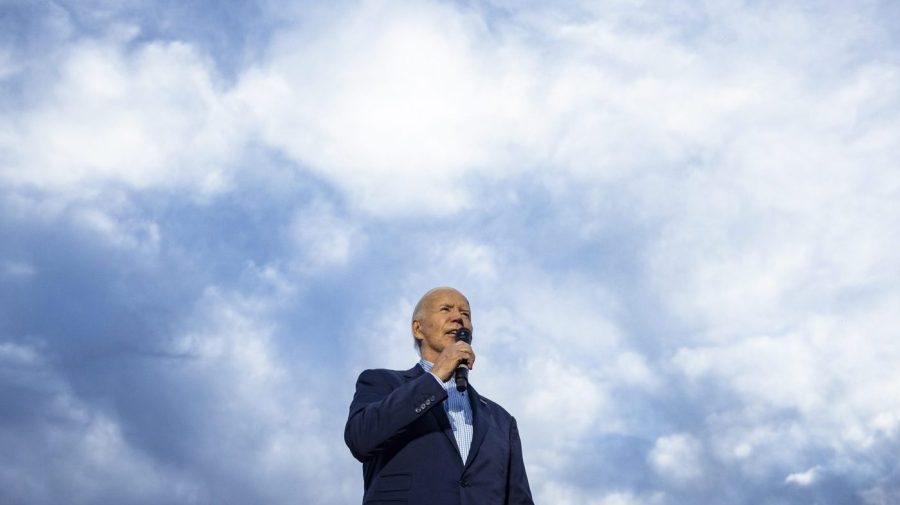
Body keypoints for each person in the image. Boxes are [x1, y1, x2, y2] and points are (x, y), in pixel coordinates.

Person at [345, 287, 535, 505]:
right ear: (418, 328)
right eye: (446, 309)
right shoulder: (382, 383)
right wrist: (435, 377)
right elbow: (360, 439)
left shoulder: (501, 420)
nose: (458, 318)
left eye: (466, 314)